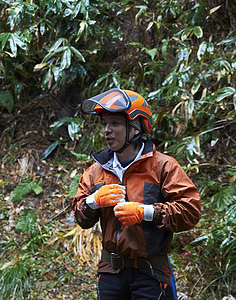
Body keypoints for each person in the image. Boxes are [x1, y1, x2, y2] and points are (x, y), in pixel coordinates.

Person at [72, 88, 201, 299]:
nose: (106, 130)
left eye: (114, 123)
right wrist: (93, 202)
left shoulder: (162, 166)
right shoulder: (96, 171)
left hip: (150, 273)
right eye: (104, 124)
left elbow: (190, 211)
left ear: (135, 127)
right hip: (110, 272)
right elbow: (80, 216)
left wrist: (145, 212)